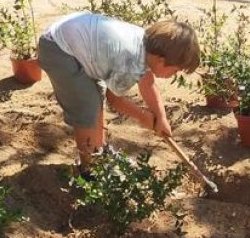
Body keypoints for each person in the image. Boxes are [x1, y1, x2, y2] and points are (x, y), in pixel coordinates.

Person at [37, 12, 201, 171]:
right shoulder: (130, 61)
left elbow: (148, 83)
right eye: (176, 70)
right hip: (58, 50)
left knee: (96, 93)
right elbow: (115, 100)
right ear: (161, 60)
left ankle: (98, 152)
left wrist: (161, 117)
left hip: (71, 38)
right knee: (87, 107)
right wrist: (143, 116)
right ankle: (88, 170)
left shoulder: (145, 44)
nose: (174, 75)